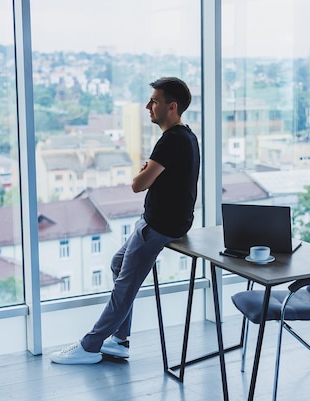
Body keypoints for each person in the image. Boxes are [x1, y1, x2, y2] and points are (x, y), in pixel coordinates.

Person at [50, 77, 200, 364]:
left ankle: (89, 345)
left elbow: (138, 185)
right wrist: (150, 172)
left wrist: (144, 172)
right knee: (118, 264)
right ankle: (120, 339)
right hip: (169, 221)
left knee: (124, 289)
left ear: (172, 106)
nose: (148, 106)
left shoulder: (170, 141)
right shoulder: (188, 136)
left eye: (154, 101)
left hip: (159, 226)